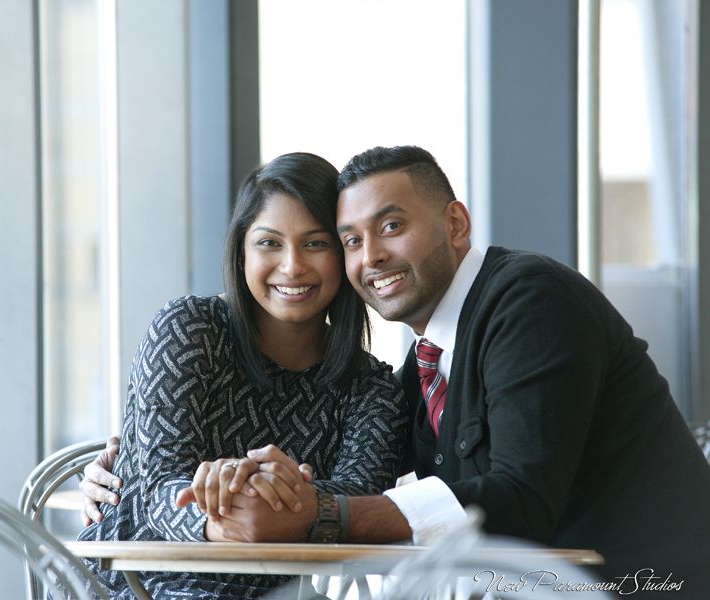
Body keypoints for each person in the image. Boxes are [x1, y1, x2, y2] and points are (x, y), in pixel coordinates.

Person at [83, 145, 710, 597]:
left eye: (390, 226)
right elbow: (364, 507)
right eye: (351, 238)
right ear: (240, 249)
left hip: (637, 584)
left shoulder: (527, 303)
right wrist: (134, 477)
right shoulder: (418, 368)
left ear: (455, 225)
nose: (370, 254)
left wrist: (309, 515)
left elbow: (513, 499)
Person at [75, 151, 410, 599]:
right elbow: (155, 492)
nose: (292, 266)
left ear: (345, 252)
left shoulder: (375, 391)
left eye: (315, 243)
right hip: (138, 586)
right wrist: (245, 509)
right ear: (241, 252)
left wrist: (245, 492)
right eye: (270, 243)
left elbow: (353, 508)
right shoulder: (189, 329)